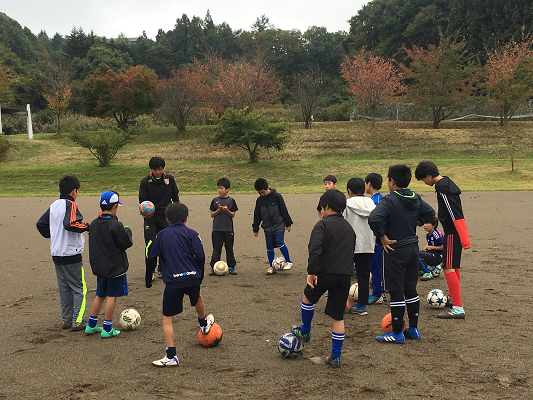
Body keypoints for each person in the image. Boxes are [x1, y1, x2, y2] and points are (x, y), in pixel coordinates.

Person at [368, 164, 435, 343]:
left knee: (396, 291)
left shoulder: (389, 200)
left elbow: (374, 218)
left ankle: (397, 333)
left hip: (394, 249)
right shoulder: (415, 197)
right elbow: (430, 213)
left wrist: (382, 236)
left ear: (391, 181)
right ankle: (413, 328)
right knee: (410, 289)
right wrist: (414, 221)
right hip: (413, 248)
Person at [291, 189, 356, 368]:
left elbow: (315, 249)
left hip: (324, 273)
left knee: (307, 298)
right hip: (345, 275)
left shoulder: (322, 225)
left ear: (326, 207)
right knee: (337, 317)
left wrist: (312, 271)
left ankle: (305, 331)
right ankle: (335, 356)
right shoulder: (349, 228)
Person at [148, 202, 214, 367]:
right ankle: (203, 324)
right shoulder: (192, 233)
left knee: (167, 318)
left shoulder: (161, 235)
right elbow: (200, 255)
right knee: (197, 296)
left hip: (173, 280)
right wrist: (199, 274)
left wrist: (148, 278)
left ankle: (171, 356)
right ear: (186, 218)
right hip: (192, 277)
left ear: (167, 218)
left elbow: (151, 257)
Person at [415, 161, 470, 319]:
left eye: (423, 180)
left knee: (447, 267)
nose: (425, 183)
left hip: (452, 232)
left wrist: (462, 235)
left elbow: (454, 212)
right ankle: (454, 299)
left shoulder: (442, 187)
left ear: (428, 176)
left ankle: (458, 308)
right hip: (454, 232)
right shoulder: (447, 182)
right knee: (454, 266)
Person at [36, 175, 90, 331]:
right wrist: (86, 226)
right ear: (74, 191)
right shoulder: (71, 204)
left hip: (57, 253)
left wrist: (52, 235)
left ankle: (67, 319)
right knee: (79, 288)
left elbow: (41, 223)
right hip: (71, 254)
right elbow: (71, 224)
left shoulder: (54, 205)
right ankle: (78, 321)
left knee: (65, 288)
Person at [85, 191, 133, 338]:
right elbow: (126, 242)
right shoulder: (115, 225)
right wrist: (127, 231)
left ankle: (91, 325)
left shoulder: (93, 223)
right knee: (112, 296)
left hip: (100, 267)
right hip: (114, 267)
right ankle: (107, 327)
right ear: (114, 207)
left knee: (100, 295)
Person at [139, 156, 179, 287]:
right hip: (150, 218)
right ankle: (150, 271)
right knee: (150, 245)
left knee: (166, 244)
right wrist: (145, 213)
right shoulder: (145, 182)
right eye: (156, 170)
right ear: (151, 169)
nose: (158, 172)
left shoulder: (170, 179)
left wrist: (176, 214)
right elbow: (142, 201)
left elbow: (175, 198)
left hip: (166, 217)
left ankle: (163, 269)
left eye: (161, 169)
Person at [343, 177, 376, 316]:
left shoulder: (346, 204)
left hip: (350, 245)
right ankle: (362, 306)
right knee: (363, 275)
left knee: (344, 275)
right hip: (368, 244)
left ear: (349, 191)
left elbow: (342, 223)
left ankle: (341, 303)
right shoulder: (372, 204)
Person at [252, 178, 293, 275]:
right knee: (269, 246)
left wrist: (288, 223)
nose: (261, 194)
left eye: (263, 192)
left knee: (279, 242)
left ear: (267, 187)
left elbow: (283, 209)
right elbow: (257, 214)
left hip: (278, 224)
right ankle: (271, 266)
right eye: (259, 193)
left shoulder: (277, 196)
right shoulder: (259, 201)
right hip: (267, 226)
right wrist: (255, 228)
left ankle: (288, 262)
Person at [209, 177, 238, 276]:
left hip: (228, 229)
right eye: (218, 188)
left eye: (221, 188)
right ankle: (214, 267)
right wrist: (219, 210)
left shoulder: (231, 201)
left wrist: (226, 210)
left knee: (229, 248)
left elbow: (233, 215)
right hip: (217, 229)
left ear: (227, 189)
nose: (219, 190)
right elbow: (212, 214)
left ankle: (231, 266)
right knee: (216, 249)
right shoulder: (215, 200)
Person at [365, 173, 386, 305]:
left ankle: (378, 293)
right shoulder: (379, 198)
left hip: (377, 241)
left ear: (369, 184)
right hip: (377, 240)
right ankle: (380, 291)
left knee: (376, 267)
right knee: (377, 267)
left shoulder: (375, 201)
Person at [418, 216, 443, 281]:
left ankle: (427, 272)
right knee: (414, 252)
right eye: (424, 223)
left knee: (417, 254)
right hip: (431, 253)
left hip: (437, 257)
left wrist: (430, 247)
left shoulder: (436, 234)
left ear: (434, 225)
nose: (424, 225)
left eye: (427, 223)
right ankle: (421, 269)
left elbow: (444, 247)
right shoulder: (428, 233)